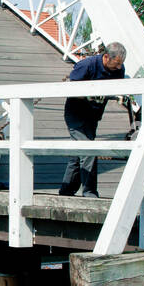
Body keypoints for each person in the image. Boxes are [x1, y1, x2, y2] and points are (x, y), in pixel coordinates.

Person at [59, 42, 127, 198]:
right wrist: (89, 94)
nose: (118, 68)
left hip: (93, 116)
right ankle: (90, 192)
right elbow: (71, 88)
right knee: (89, 150)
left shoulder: (119, 70)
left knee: (78, 153)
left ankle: (66, 190)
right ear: (106, 57)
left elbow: (119, 87)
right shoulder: (86, 66)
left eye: (120, 65)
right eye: (115, 65)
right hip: (76, 114)